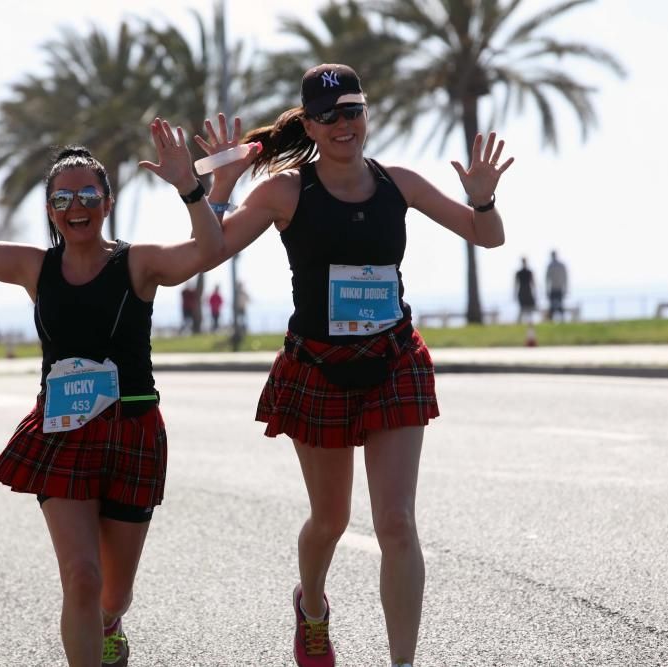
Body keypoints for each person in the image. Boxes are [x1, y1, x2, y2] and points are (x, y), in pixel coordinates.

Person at [195, 64, 513, 667]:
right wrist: (217, 190)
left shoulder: (399, 183)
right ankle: (311, 606)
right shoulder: (285, 191)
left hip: (394, 361)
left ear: (367, 113)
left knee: (396, 523)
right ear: (310, 124)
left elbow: (486, 235)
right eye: (329, 115)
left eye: (353, 110)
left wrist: (484, 198)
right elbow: (210, 253)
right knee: (331, 518)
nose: (344, 124)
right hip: (317, 368)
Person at [0, 119, 222, 667]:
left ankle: (111, 622)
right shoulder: (34, 267)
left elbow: (208, 249)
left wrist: (190, 189)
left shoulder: (139, 262)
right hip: (62, 431)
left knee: (113, 592)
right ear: (49, 209)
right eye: (62, 197)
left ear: (106, 202)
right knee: (81, 578)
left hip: (132, 429)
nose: (74, 205)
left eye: (87, 194)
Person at [545, 250, 568, 322]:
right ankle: (554, 320)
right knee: (554, 306)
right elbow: (547, 279)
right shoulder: (552, 265)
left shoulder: (552, 266)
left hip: (556, 288)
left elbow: (565, 278)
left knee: (558, 306)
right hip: (555, 288)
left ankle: (561, 320)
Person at [514, 257, 536, 324]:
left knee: (528, 309)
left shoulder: (528, 272)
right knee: (523, 308)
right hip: (523, 291)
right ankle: (520, 322)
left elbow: (533, 283)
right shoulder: (519, 272)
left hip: (526, 291)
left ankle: (528, 322)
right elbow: (516, 284)